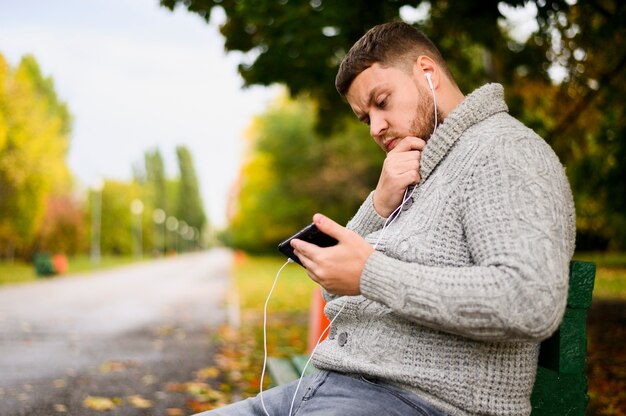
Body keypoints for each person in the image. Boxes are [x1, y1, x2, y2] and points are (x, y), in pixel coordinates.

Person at [196, 21, 575, 416]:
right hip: (328, 388)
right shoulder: (419, 166)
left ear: (427, 73)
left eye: (382, 101)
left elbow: (530, 300)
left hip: (419, 403)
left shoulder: (503, 151)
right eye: (365, 118)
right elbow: (336, 292)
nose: (376, 128)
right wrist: (378, 203)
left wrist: (370, 274)